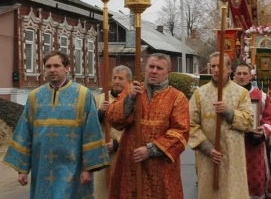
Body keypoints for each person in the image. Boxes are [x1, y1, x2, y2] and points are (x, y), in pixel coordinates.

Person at [3, 50, 110, 199]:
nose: (52, 70)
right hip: (42, 167)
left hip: (73, 167)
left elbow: (91, 132)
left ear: (67, 68)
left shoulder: (83, 95)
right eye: (48, 66)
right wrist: (22, 169)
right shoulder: (35, 96)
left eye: (56, 65)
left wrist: (88, 168)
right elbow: (25, 132)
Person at [107, 53, 190, 199]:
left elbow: (181, 132)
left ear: (168, 73)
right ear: (145, 68)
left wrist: (151, 150)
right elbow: (113, 118)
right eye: (151, 66)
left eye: (159, 68)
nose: (154, 71)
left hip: (161, 167)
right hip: (131, 163)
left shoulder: (177, 98)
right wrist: (130, 99)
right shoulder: (132, 90)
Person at [189, 52, 254, 198]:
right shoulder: (199, 94)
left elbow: (249, 122)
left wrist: (229, 112)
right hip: (208, 158)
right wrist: (208, 149)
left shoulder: (241, 93)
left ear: (229, 69)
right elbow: (191, 125)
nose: (216, 70)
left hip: (233, 158)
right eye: (213, 66)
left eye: (220, 66)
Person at [234, 63, 271, 198]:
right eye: (239, 74)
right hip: (232, 144)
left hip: (253, 146)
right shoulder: (226, 95)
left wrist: (262, 131)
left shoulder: (261, 96)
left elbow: (270, 118)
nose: (241, 77)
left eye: (244, 74)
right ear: (234, 75)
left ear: (251, 76)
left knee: (255, 180)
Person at [94, 65, 132, 199]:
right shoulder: (101, 99)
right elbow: (91, 126)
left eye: (120, 78)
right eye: (114, 78)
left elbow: (137, 129)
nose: (116, 81)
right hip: (105, 155)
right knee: (104, 192)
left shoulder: (133, 100)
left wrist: (117, 143)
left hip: (126, 154)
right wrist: (100, 113)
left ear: (129, 82)